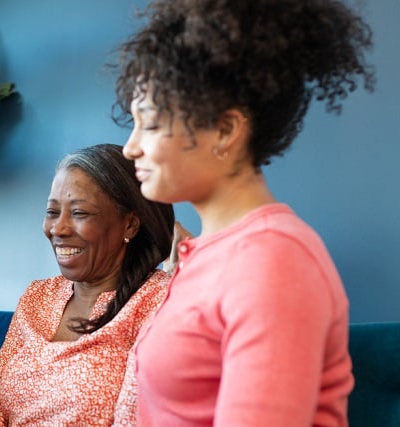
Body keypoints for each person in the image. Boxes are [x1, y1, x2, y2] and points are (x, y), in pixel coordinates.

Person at [113, 0, 375, 425]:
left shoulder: (272, 260)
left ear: (225, 130)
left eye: (151, 123)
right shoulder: (207, 255)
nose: (131, 147)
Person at [0, 144, 175, 426]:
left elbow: (135, 419)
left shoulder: (160, 301)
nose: (58, 229)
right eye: (52, 212)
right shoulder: (37, 296)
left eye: (79, 213)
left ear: (130, 225)